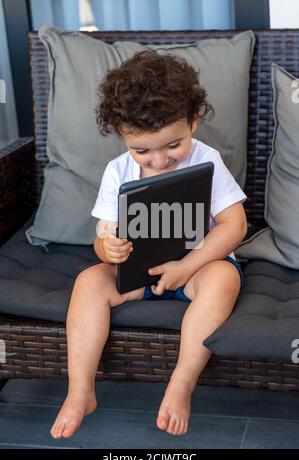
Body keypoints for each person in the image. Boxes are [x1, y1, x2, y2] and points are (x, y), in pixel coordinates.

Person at [50, 50, 248, 439]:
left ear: (193, 122)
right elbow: (103, 236)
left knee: (225, 278)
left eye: (173, 146)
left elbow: (234, 225)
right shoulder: (117, 171)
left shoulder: (208, 161)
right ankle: (80, 390)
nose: (157, 161)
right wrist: (107, 250)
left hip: (197, 272)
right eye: (142, 151)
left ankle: (182, 382)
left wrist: (187, 267)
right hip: (140, 274)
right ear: (123, 137)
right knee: (90, 281)